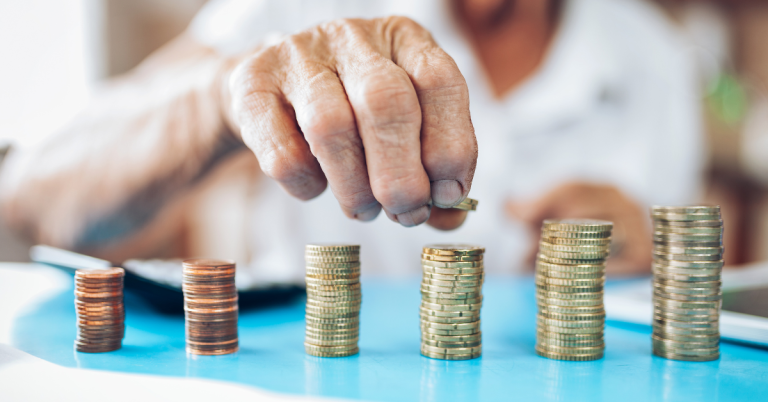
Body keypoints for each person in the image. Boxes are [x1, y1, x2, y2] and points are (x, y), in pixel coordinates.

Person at [0, 0, 704, 284]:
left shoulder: (659, 56)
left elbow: (685, 271)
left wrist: (645, 245)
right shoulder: (294, 7)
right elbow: (28, 196)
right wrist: (223, 94)